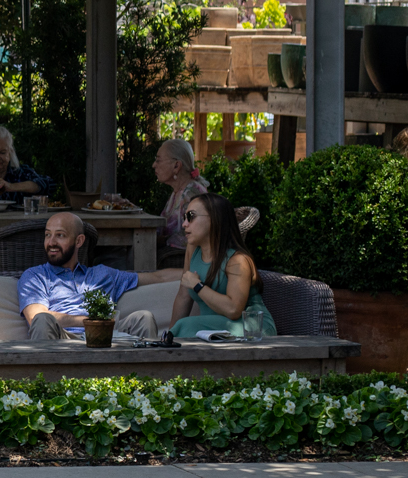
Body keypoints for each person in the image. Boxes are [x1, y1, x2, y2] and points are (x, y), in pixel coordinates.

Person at [17, 211, 173, 341]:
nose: (51, 242)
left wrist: (188, 274)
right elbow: (36, 317)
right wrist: (93, 321)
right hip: (64, 338)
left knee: (143, 318)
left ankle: (146, 369)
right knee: (43, 319)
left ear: (79, 241)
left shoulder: (103, 274)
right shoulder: (35, 276)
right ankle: (48, 371)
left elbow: (158, 277)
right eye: (47, 235)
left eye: (60, 235)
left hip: (106, 338)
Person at [168, 192, 274, 339]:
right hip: (214, 328)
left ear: (214, 219)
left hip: (251, 329)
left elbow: (233, 310)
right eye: (185, 217)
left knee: (187, 326)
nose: (184, 224)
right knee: (183, 327)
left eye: (191, 216)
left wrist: (198, 286)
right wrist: (169, 337)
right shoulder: (193, 249)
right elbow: (183, 296)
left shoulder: (238, 260)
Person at [152, 138, 210, 266]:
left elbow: (193, 235)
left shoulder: (192, 193)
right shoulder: (178, 192)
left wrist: (160, 240)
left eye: (158, 160)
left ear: (176, 166)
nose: (154, 165)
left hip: (185, 259)